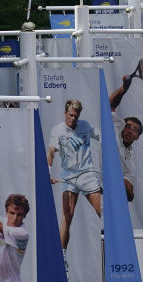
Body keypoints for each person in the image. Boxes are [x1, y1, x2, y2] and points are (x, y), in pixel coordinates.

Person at [46, 99, 102, 251]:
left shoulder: (85, 125)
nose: (72, 119)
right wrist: (48, 173)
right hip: (69, 176)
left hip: (87, 174)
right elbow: (51, 152)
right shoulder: (57, 130)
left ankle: (112, 246)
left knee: (103, 211)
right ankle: (62, 259)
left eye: (75, 116)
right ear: (65, 113)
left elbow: (103, 137)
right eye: (70, 115)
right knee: (66, 219)